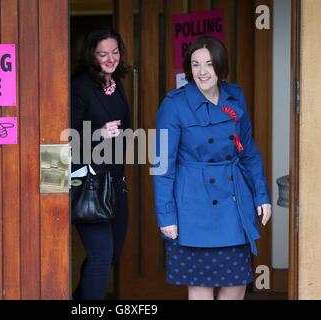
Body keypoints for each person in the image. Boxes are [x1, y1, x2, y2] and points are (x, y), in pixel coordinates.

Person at [153, 35, 272, 300]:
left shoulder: (235, 95)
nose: (202, 71)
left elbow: (249, 150)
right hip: (193, 205)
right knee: (200, 285)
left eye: (209, 64)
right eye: (195, 65)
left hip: (234, 202)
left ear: (220, 65)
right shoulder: (173, 104)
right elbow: (162, 165)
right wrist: (166, 215)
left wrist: (261, 194)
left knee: (237, 282)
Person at [70, 28, 130, 300]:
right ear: (91, 56)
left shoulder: (115, 83)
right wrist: (98, 134)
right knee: (100, 256)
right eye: (103, 53)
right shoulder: (80, 86)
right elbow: (64, 137)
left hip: (115, 182)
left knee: (112, 253)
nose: (110, 58)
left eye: (115, 52)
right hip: (89, 184)